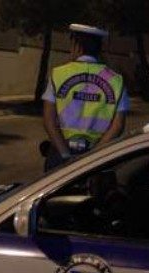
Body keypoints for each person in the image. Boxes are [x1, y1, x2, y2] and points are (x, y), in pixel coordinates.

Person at [42, 23, 129, 171]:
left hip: (61, 154)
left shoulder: (58, 74)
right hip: (97, 158)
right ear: (99, 48)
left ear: (75, 45)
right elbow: (118, 125)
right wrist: (93, 157)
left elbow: (48, 120)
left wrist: (65, 155)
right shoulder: (116, 80)